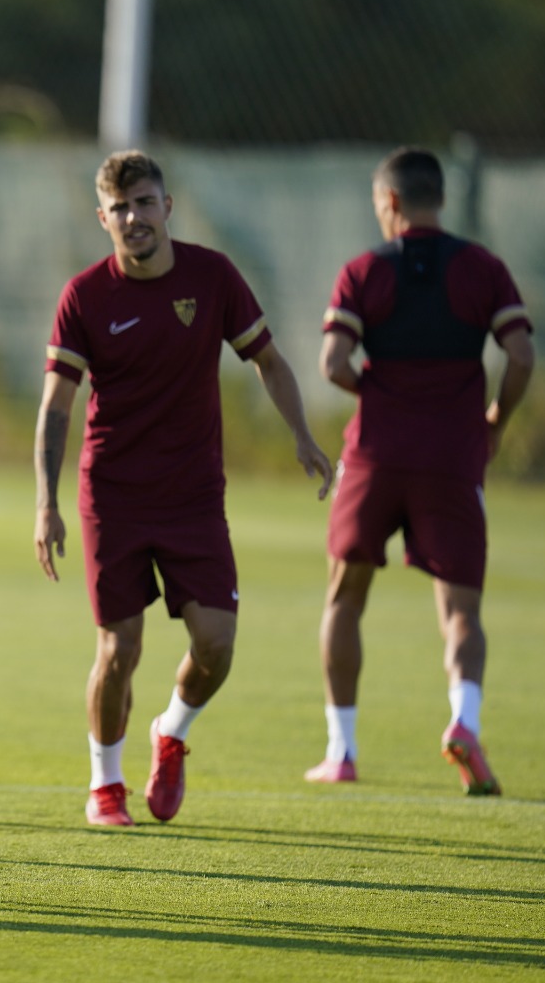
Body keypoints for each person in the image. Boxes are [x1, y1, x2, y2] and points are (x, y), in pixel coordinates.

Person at [33, 150, 331, 827]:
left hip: (194, 495)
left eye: (145, 203)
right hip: (112, 493)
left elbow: (269, 360)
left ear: (168, 206)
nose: (134, 217)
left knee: (217, 644)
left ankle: (170, 731)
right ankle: (105, 786)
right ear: (102, 217)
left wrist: (303, 437)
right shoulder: (85, 295)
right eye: (120, 208)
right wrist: (47, 502)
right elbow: (56, 406)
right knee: (120, 648)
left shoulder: (213, 276)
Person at [309, 146, 533, 794]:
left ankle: (341, 750)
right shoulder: (483, 268)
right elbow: (520, 352)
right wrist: (495, 419)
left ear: (391, 203)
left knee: (345, 597)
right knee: (462, 610)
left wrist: (378, 393)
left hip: (374, 455)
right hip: (454, 458)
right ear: (439, 199)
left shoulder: (362, 271)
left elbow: (331, 363)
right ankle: (463, 722)